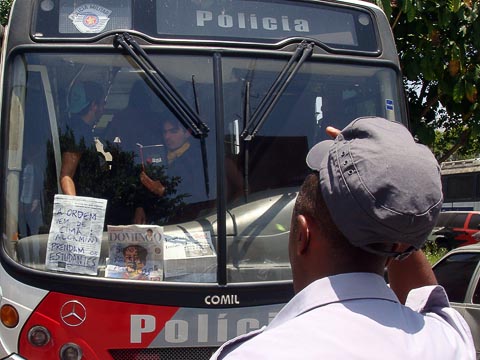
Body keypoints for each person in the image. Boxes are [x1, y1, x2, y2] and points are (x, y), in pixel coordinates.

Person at [211, 117, 475, 359]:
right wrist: (384, 187)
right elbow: (425, 297)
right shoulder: (446, 342)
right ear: (399, 245)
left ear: (301, 235)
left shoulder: (252, 355)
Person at [134, 118, 207, 223]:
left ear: (187, 133)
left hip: (184, 221)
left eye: (173, 131)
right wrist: (140, 207)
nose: (167, 137)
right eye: (165, 132)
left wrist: (163, 191)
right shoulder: (158, 154)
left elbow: (196, 196)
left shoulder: (197, 159)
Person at [60, 81, 105, 196]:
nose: (103, 110)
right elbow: (66, 176)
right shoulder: (78, 132)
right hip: (81, 207)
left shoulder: (79, 129)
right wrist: (74, 209)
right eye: (102, 104)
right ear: (94, 106)